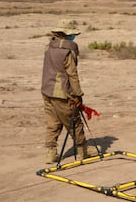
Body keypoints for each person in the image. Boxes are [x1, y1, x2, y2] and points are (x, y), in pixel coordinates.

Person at [41, 19, 97, 164]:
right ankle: (82, 151)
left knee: (52, 123)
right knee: (75, 122)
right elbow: (72, 75)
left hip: (47, 90)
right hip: (62, 93)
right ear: (66, 34)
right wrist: (78, 95)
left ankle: (50, 153)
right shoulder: (67, 51)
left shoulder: (49, 47)